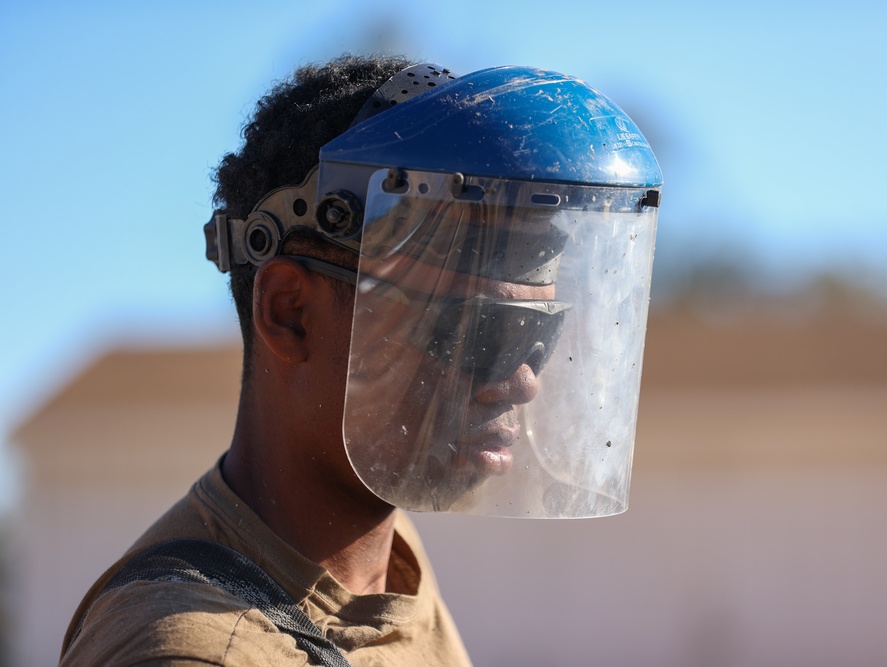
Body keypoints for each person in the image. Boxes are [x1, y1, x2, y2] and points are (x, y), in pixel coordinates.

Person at [59, 54, 662, 666]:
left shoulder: (386, 563)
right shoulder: (201, 654)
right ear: (291, 313)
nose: (523, 381)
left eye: (539, 335)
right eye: (479, 332)